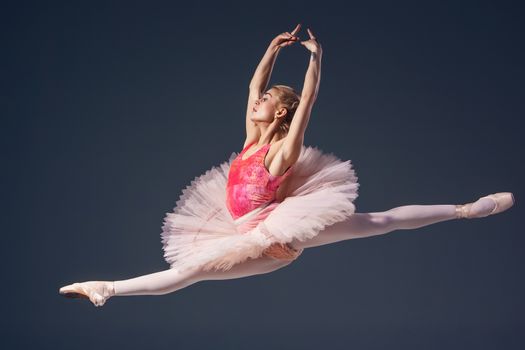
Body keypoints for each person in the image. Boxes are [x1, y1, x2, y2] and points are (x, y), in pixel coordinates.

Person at [59, 24, 515, 307]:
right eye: (258, 100)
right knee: (191, 274)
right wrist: (272, 50)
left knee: (380, 220)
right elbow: (253, 85)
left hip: (279, 235)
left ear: (279, 113)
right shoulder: (251, 141)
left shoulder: (281, 153)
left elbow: (307, 104)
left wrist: (316, 60)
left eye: (266, 102)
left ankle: (466, 210)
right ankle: (107, 289)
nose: (256, 102)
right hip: (244, 235)